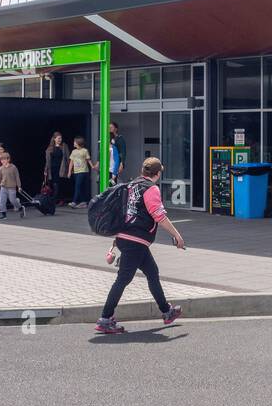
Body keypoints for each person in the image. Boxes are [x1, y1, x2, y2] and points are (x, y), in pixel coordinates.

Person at [94, 157, 185, 335]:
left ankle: (167, 311)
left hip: (129, 238)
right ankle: (105, 318)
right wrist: (177, 235)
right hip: (135, 240)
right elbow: (158, 215)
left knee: (152, 272)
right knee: (123, 279)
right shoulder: (151, 189)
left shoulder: (131, 185)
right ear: (158, 173)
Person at [0, 151, 23, 220]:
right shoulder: (1, 168)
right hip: (3, 187)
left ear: (8, 159)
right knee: (1, 201)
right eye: (1, 160)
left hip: (12, 187)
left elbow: (17, 177)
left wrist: (19, 186)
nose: (3, 161)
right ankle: (4, 215)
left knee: (12, 201)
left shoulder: (13, 167)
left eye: (4, 159)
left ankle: (20, 207)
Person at [67, 136, 92, 208]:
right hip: (76, 172)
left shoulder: (85, 151)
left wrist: (92, 166)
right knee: (79, 187)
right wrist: (69, 172)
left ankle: (74, 201)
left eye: (75, 142)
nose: (73, 143)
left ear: (78, 143)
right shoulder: (73, 151)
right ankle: (84, 202)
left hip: (83, 171)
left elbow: (88, 160)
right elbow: (71, 162)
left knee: (77, 186)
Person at [45, 132, 69, 203]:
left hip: (62, 168)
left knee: (60, 184)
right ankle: (55, 199)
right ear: (54, 139)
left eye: (61, 138)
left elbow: (68, 158)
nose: (60, 140)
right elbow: (47, 160)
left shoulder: (64, 146)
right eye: (58, 138)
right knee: (55, 184)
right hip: (52, 169)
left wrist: (70, 169)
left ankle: (58, 199)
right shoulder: (50, 148)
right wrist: (45, 170)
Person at [109, 121, 127, 185]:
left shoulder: (120, 139)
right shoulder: (107, 138)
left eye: (111, 127)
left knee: (113, 182)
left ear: (116, 129)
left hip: (116, 162)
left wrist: (122, 163)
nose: (109, 128)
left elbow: (123, 152)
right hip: (108, 163)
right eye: (109, 127)